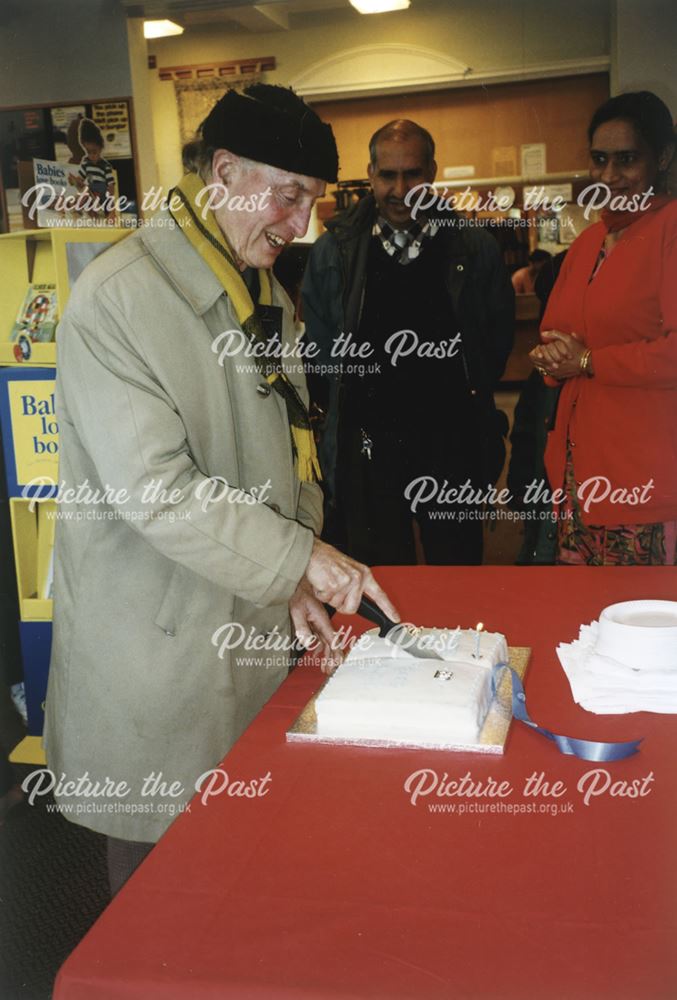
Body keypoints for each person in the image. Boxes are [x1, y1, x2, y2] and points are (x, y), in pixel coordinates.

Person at [43, 84, 399, 893]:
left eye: (312, 201)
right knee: (157, 901)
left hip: (248, 633)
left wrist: (294, 572)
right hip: (157, 660)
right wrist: (300, 558)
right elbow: (156, 493)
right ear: (227, 173)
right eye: (289, 195)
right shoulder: (119, 299)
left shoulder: (263, 293)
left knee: (245, 884)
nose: (301, 224)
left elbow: (296, 445)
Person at [302, 119, 514, 566]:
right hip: (369, 453)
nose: (400, 189)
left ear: (432, 171)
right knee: (382, 581)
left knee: (457, 573)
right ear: (371, 173)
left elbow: (493, 346)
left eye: (412, 174)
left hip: (451, 446)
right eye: (387, 175)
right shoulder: (333, 251)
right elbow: (321, 350)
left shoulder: (475, 250)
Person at [529, 91, 677, 565]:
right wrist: (550, 358)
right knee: (581, 618)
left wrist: (589, 360)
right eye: (599, 160)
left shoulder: (669, 228)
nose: (610, 176)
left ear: (663, 158)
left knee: (641, 623)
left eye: (627, 160)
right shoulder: (591, 237)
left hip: (643, 470)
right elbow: (557, 332)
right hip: (578, 468)